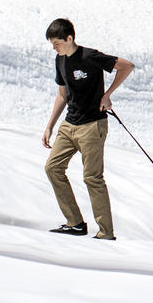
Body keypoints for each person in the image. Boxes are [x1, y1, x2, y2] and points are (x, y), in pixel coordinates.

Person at [42, 18, 133, 240]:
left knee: (92, 177)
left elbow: (127, 66)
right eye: (53, 44)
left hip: (92, 125)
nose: (55, 47)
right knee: (53, 168)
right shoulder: (60, 60)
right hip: (69, 124)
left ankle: (105, 233)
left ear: (69, 38)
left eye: (57, 43)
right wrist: (50, 126)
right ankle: (74, 223)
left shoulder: (90, 56)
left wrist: (107, 95)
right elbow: (62, 94)